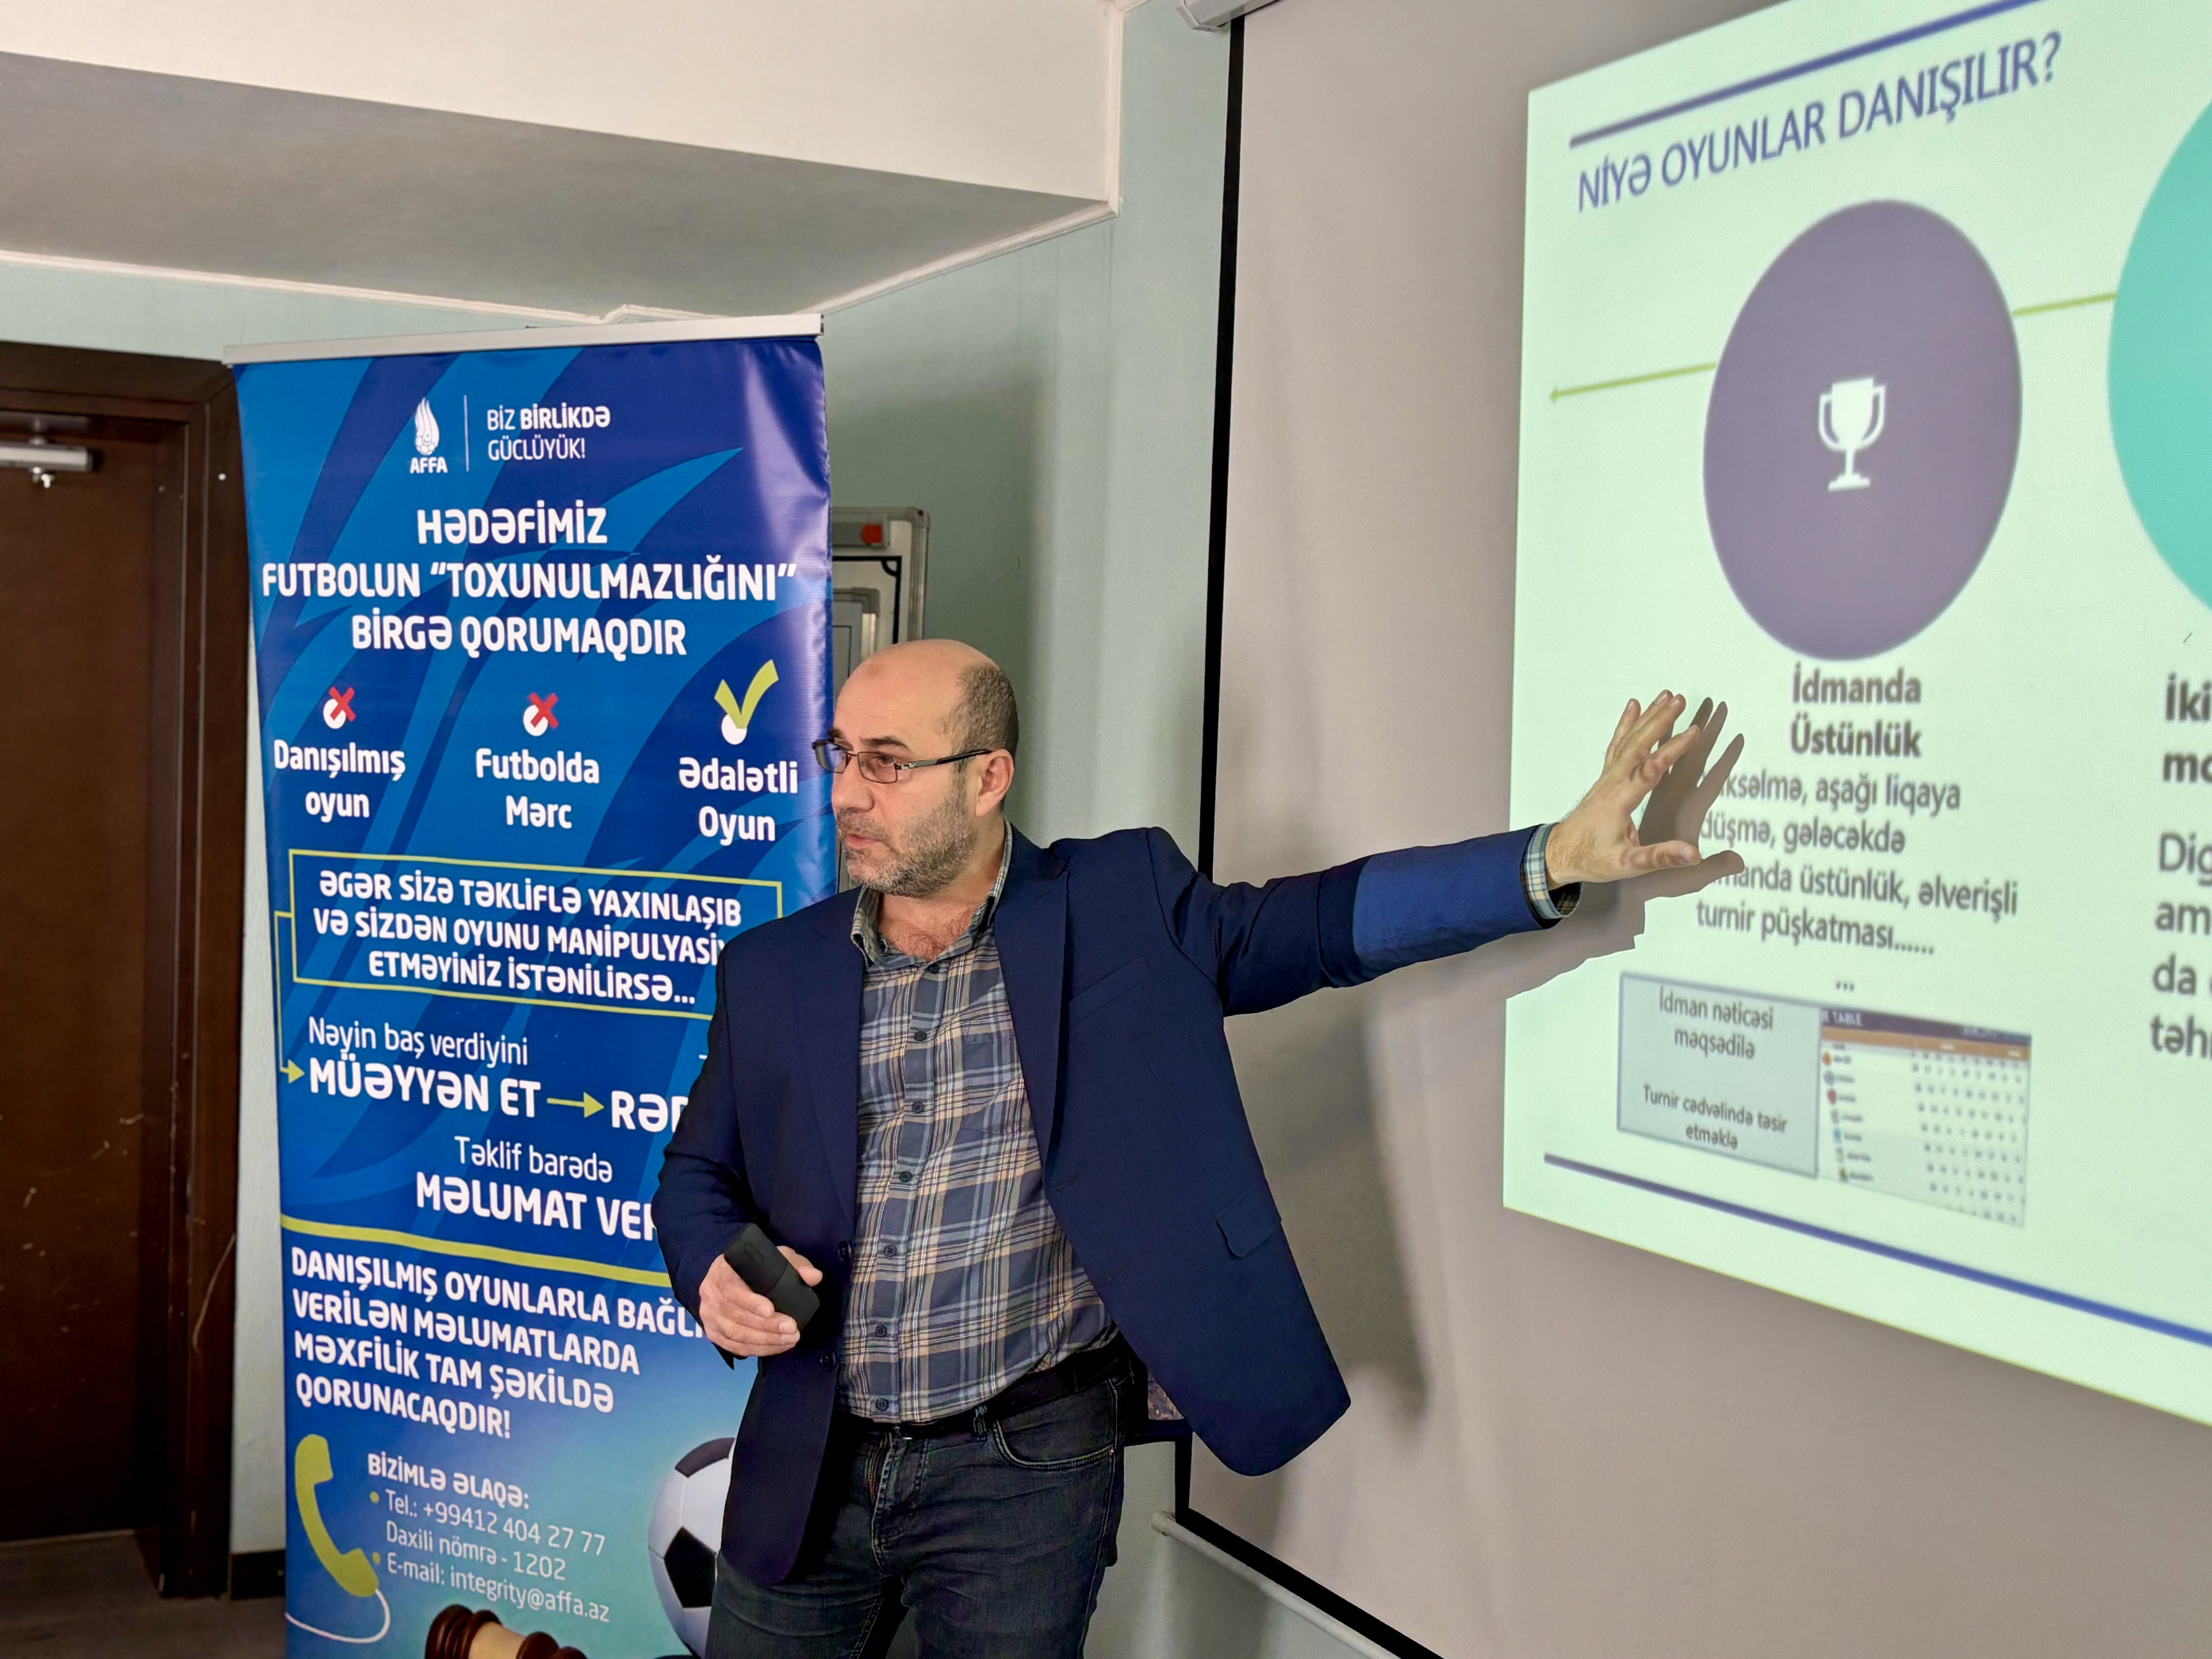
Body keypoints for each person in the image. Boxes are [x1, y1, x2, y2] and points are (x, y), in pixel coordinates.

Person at [653, 639, 1740, 1657]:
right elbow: (697, 1172)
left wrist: (1550, 858)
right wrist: (709, 1268)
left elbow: (1321, 925)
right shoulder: (772, 969)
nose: (847, 793)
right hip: (812, 1460)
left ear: (988, 778)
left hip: (1022, 1477)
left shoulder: (1121, 903)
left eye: (887, 763)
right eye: (840, 755)